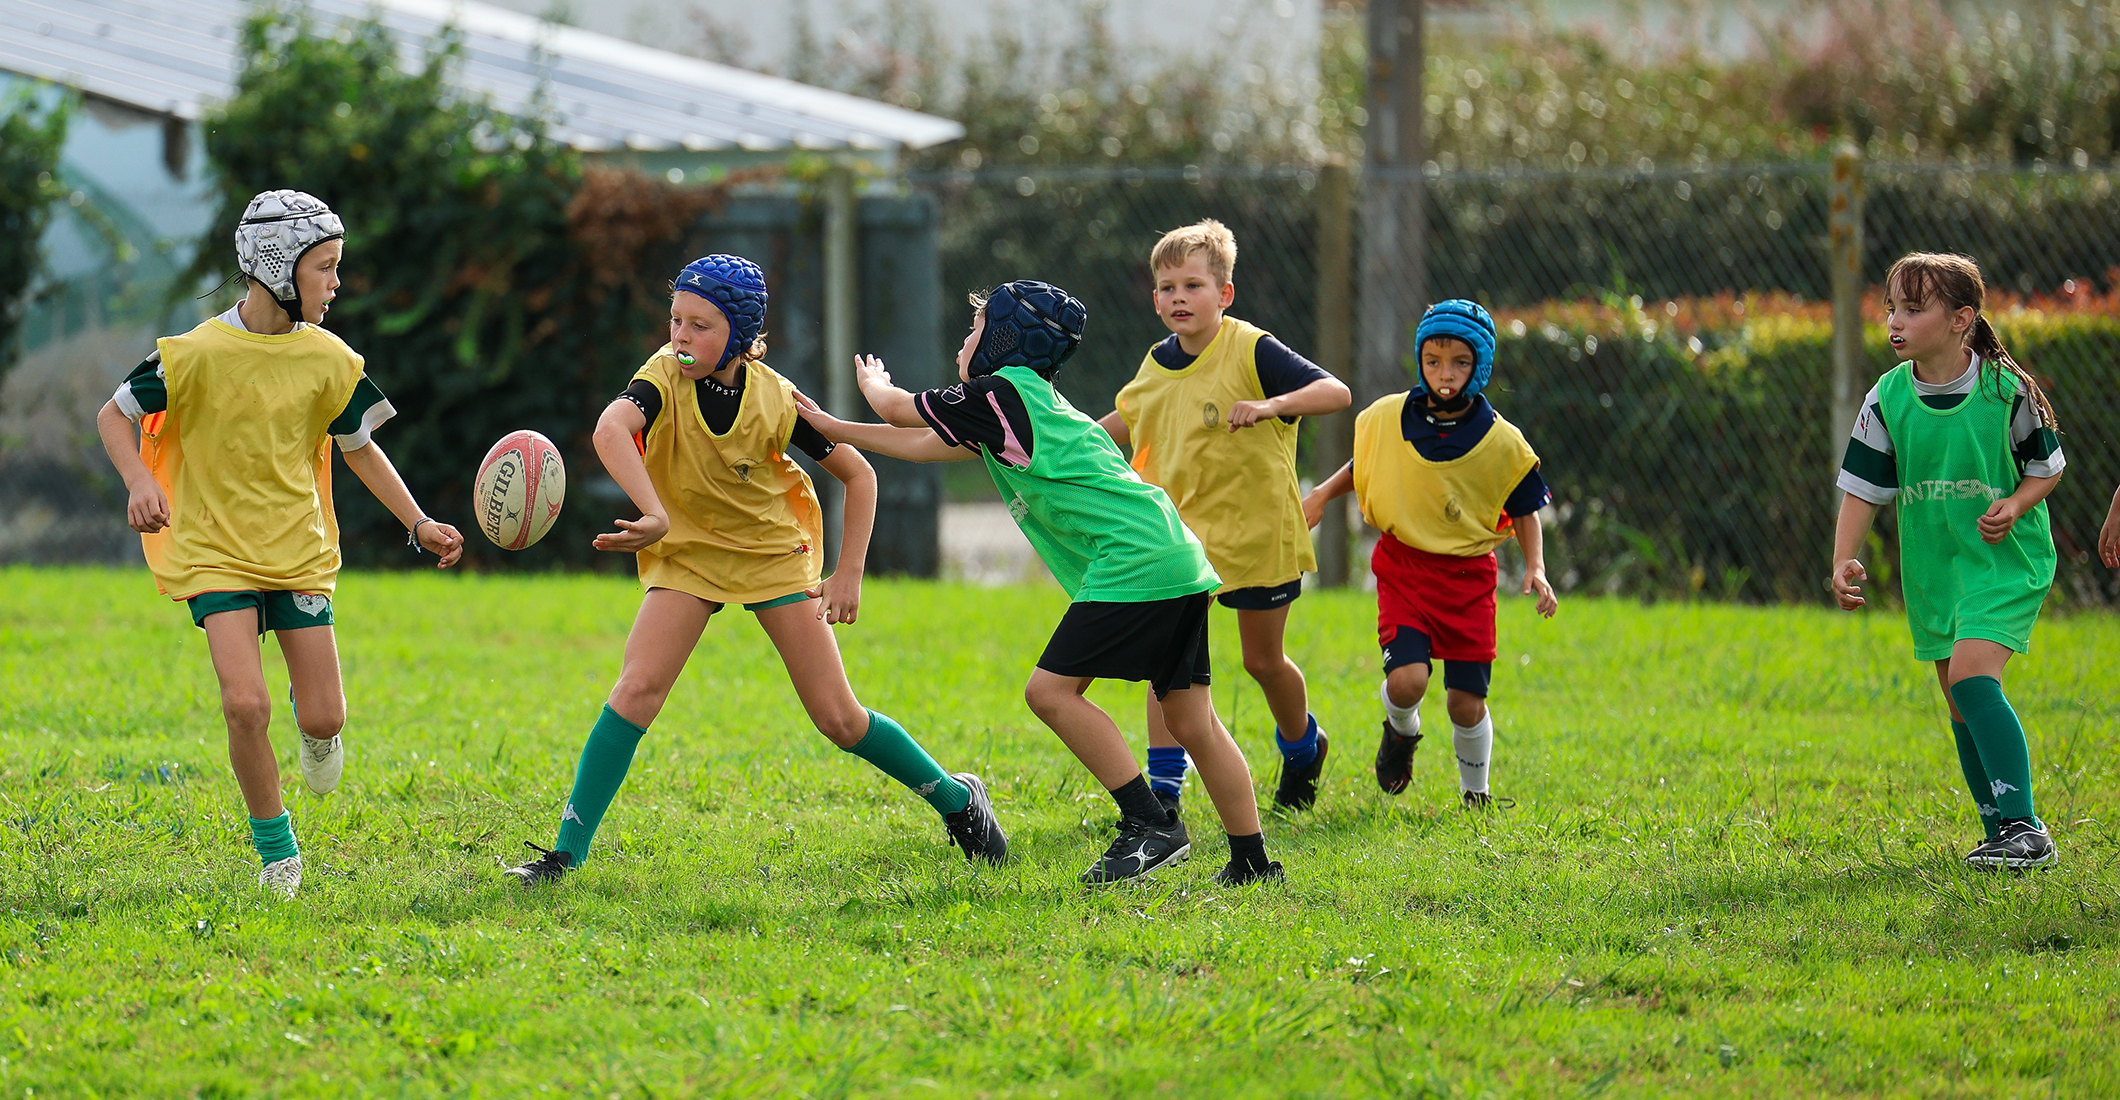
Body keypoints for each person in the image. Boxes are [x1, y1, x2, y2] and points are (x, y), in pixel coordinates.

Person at [505, 255, 1006, 885]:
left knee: (839, 719)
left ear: (740, 335)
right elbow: (612, 428)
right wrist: (655, 515)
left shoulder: (776, 398)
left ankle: (960, 801)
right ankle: (563, 857)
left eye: (701, 325)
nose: (681, 336)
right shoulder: (661, 376)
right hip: (689, 552)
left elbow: (860, 473)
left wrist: (848, 572)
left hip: (772, 554)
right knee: (636, 691)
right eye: (675, 319)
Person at [795, 280, 1284, 885]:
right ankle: (1255, 861)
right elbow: (921, 446)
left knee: (1050, 693)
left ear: (1003, 340)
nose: (964, 343)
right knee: (1192, 721)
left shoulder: (998, 391)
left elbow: (899, 412)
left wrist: (870, 389)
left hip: (1133, 562)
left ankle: (1149, 823)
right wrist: (829, 429)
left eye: (974, 331)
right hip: (1172, 559)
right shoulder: (1025, 407)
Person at [94, 190, 465, 898]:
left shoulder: (329, 359)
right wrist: (138, 480)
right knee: (244, 706)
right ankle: (277, 851)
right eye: (324, 268)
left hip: (297, 550)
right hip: (212, 550)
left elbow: (358, 450)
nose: (335, 284)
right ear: (276, 267)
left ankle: (316, 727)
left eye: (336, 268)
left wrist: (417, 522)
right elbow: (115, 416)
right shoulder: (193, 353)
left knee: (324, 715)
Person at [1097, 220, 1351, 815]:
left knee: (1263, 661)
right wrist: (1059, 449)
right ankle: (1165, 793)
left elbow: (1335, 393)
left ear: (1225, 294)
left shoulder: (1252, 348)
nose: (1177, 298)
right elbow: (1123, 423)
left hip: (1259, 534)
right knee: (1169, 665)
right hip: (1181, 541)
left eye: (1192, 285)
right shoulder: (1155, 365)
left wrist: (1272, 405)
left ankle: (1302, 746)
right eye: (1166, 287)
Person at [1831, 252, 2066, 871]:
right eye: (1891, 308)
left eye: (1913, 308)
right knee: (1959, 700)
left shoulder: (2004, 389)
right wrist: (1841, 561)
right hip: (1937, 569)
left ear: (1962, 318)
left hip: (2004, 561)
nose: (1895, 321)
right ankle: (1998, 833)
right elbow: (1861, 487)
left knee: (1970, 677)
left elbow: (2047, 468)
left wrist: (2015, 504)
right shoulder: (1886, 397)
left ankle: (2026, 828)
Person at [1303, 300, 1556, 809]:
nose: (1444, 373)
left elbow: (1525, 504)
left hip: (1468, 579)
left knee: (1466, 703)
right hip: (1405, 569)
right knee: (1407, 681)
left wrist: (1536, 568)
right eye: (1433, 360)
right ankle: (1399, 734)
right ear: (1419, 359)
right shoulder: (1389, 419)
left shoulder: (1502, 442)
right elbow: (1365, 465)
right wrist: (1321, 496)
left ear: (1480, 366)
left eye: (1460, 362)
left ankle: (1475, 794)